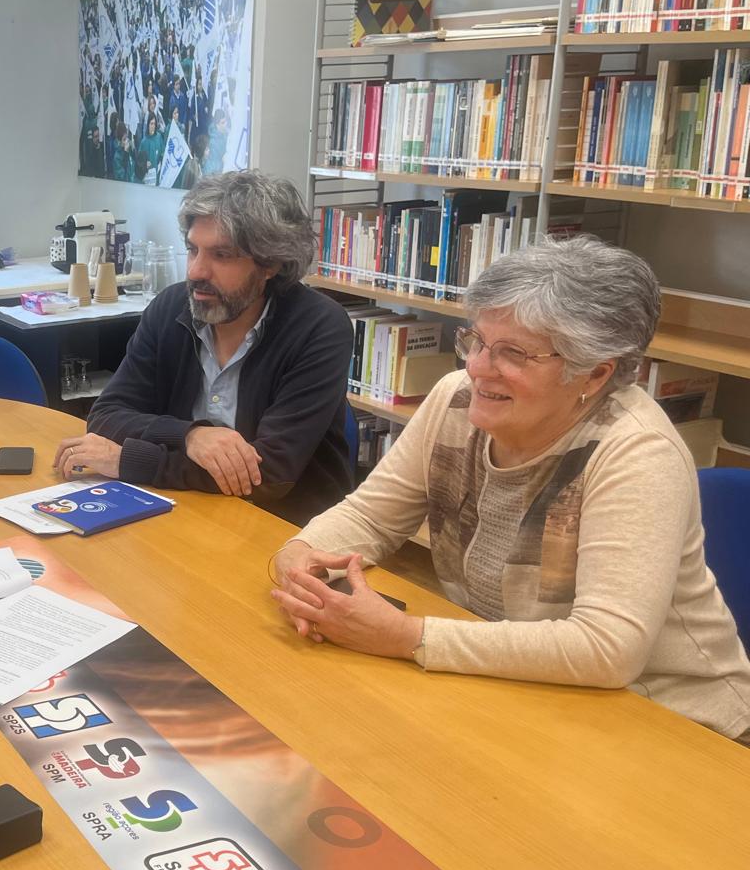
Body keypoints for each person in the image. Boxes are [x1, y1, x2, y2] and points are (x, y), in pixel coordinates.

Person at [270, 238, 750, 743]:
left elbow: (608, 648)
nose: (478, 368)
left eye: (513, 353)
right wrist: (300, 555)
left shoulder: (637, 452)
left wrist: (408, 637)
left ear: (594, 373)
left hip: (679, 724)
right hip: (538, 693)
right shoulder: (454, 400)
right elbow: (370, 518)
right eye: (477, 341)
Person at [53, 170, 353, 526]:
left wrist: (129, 460)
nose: (196, 271)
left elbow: (269, 476)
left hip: (284, 527)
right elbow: (107, 416)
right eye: (193, 249)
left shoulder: (319, 327)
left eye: (221, 255)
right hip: (179, 509)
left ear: (270, 264)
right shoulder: (170, 308)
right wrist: (189, 435)